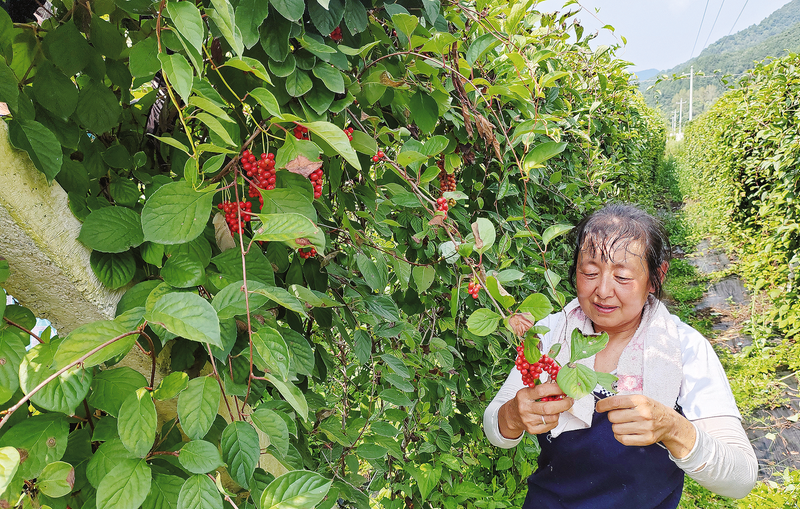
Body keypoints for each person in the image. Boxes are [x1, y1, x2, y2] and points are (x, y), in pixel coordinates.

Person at [483, 204, 758, 509]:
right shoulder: (550, 334)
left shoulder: (683, 349)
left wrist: (672, 428)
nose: (603, 291)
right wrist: (513, 415)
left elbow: (741, 478)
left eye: (623, 277)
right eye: (590, 272)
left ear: (655, 277)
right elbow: (496, 428)